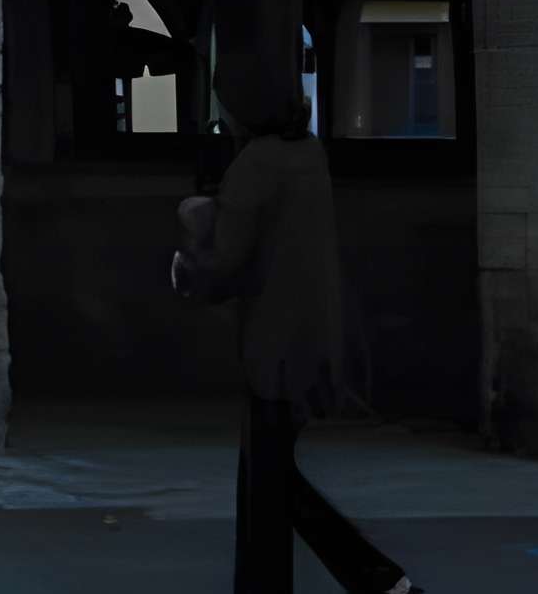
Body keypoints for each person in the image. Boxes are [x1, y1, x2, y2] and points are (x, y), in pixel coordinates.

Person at [177, 46, 420, 594]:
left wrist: (191, 234)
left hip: (272, 339)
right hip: (311, 330)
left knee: (271, 478)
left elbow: (223, 262)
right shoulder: (307, 152)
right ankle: (375, 581)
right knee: (270, 474)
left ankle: (381, 581)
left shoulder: (257, 162)